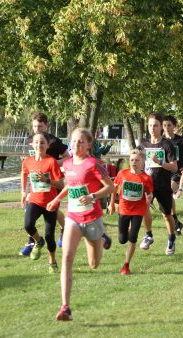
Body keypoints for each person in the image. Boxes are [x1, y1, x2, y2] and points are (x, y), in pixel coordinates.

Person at [46, 128, 114, 321]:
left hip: (92, 217)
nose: (76, 145)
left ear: (88, 145)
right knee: (67, 257)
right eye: (74, 141)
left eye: (81, 142)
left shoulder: (93, 163)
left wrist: (92, 196)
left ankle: (101, 239)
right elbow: (70, 185)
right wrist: (57, 199)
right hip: (73, 217)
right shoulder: (67, 164)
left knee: (94, 264)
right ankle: (65, 307)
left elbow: (110, 187)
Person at [20, 112, 70, 256]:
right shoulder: (30, 139)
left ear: (46, 126)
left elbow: (67, 157)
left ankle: (63, 229)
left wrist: (51, 161)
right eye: (35, 126)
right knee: (31, 211)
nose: (37, 129)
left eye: (40, 126)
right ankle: (32, 241)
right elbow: (28, 160)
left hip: (50, 176)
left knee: (51, 208)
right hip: (35, 178)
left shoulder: (53, 141)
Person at [20, 132, 64, 272]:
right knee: (28, 225)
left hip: (50, 203)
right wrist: (23, 191)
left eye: (42, 142)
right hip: (35, 201)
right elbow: (24, 173)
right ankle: (38, 241)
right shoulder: (28, 161)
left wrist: (47, 180)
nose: (39, 145)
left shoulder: (51, 162)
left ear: (48, 145)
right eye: (37, 142)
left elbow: (62, 184)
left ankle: (52, 262)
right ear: (32, 144)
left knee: (49, 235)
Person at [108, 149, 153, 275]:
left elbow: (149, 193)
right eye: (132, 160)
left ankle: (126, 265)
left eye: (137, 160)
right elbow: (114, 188)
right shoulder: (122, 174)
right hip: (124, 209)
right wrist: (111, 204)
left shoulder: (146, 178)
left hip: (138, 210)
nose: (134, 162)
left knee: (133, 238)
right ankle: (126, 230)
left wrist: (148, 199)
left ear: (143, 162)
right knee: (122, 240)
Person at [138, 113, 178, 255]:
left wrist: (160, 162)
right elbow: (137, 163)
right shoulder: (143, 145)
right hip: (148, 185)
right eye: (150, 125)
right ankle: (148, 234)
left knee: (167, 215)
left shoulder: (167, 145)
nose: (152, 128)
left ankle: (171, 238)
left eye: (155, 125)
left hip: (163, 185)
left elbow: (174, 167)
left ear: (161, 127)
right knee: (143, 207)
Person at [162, 115, 183, 234]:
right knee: (167, 196)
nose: (166, 128)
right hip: (163, 172)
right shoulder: (161, 142)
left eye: (169, 125)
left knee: (169, 191)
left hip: (176, 172)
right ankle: (175, 220)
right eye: (164, 125)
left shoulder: (181, 141)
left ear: (174, 126)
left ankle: (175, 220)